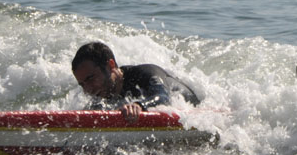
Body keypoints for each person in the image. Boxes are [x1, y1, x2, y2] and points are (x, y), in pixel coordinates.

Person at [71, 42, 200, 123]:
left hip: (197, 117)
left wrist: (139, 105)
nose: (88, 89)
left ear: (110, 65)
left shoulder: (145, 73)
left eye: (90, 78)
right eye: (82, 84)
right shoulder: (101, 97)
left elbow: (163, 98)